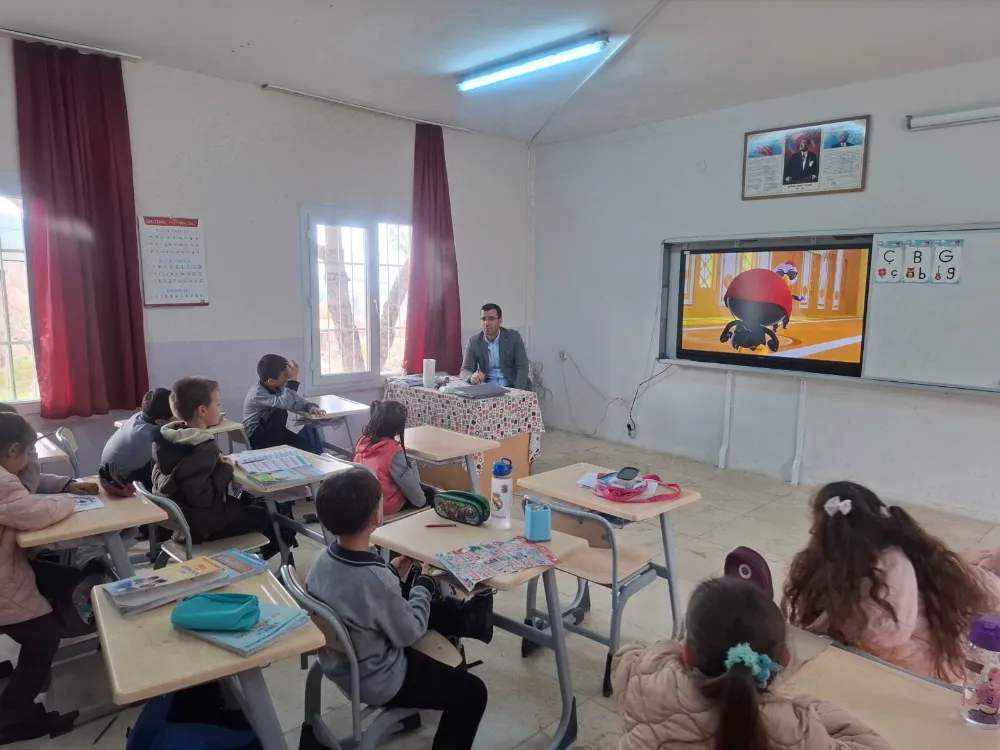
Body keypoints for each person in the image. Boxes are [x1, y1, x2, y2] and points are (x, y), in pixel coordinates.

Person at [306, 468, 491, 750]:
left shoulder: (322, 559)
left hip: (339, 661)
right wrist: (424, 584)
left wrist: (391, 573)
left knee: (420, 604)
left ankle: (469, 620)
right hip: (379, 678)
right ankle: (468, 620)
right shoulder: (376, 581)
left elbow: (360, 596)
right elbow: (410, 633)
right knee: (474, 692)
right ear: (375, 517)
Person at [613, 577, 891, 750]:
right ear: (784, 660)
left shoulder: (645, 677)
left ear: (686, 655)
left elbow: (629, 654)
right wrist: (811, 707)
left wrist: (680, 648)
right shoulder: (794, 728)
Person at [783, 481, 1000, 683]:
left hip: (919, 676)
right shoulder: (845, 566)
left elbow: (886, 635)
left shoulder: (895, 562)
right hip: (902, 668)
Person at [0, 413, 81, 744]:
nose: (29, 462)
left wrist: (63, 486)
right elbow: (36, 512)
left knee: (65, 577)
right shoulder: (3, 482)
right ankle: (10, 718)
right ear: (12, 450)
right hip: (4, 581)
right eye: (28, 454)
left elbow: (24, 495)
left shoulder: (6, 477)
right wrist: (70, 500)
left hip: (9, 566)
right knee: (43, 638)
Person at [152, 377, 284, 558]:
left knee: (244, 504)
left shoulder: (167, 438)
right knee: (268, 516)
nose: (220, 409)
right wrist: (226, 468)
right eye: (218, 405)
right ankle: (273, 561)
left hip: (180, 517)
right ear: (202, 410)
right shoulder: (203, 448)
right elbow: (203, 498)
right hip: (202, 522)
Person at [353, 400, 433, 516]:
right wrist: (422, 502)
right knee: (429, 494)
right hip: (386, 505)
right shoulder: (393, 451)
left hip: (365, 502)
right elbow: (408, 484)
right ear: (398, 427)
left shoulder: (363, 442)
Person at [243, 354, 326, 454]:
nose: (289, 378)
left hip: (276, 432)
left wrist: (309, 407)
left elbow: (295, 399)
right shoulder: (257, 393)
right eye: (286, 375)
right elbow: (284, 403)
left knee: (308, 449)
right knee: (279, 412)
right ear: (271, 381)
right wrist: (293, 382)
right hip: (257, 436)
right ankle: (277, 451)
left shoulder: (277, 386)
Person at [100, 388, 173, 490]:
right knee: (176, 464)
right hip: (118, 483)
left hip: (108, 473)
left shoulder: (139, 416)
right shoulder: (151, 434)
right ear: (159, 421)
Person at [459, 303, 529, 390]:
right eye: (483, 319)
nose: (486, 323)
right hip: (488, 389)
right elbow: (465, 369)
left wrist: (518, 392)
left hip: (512, 387)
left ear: (500, 321)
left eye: (491, 319)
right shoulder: (474, 342)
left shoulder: (513, 337)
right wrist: (471, 377)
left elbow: (522, 367)